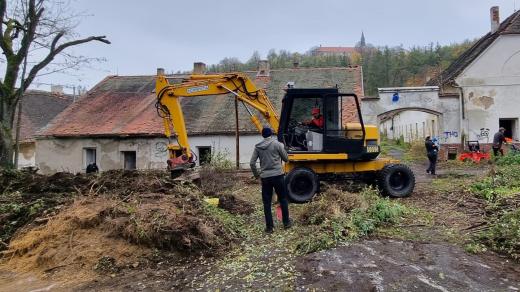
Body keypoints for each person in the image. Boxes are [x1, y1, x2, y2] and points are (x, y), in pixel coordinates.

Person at [250, 127, 291, 233]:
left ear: (262, 135)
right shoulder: (277, 144)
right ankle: (286, 223)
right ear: (271, 134)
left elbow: (252, 163)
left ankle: (269, 227)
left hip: (265, 178)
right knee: (283, 199)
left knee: (267, 203)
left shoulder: (258, 147)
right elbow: (286, 159)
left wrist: (257, 175)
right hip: (278, 176)